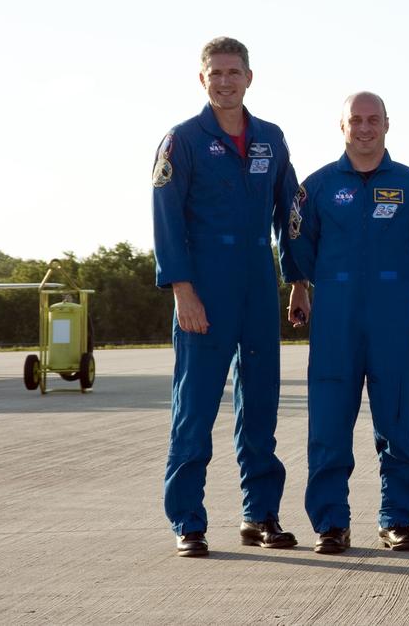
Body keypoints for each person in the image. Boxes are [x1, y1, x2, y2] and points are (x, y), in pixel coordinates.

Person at [152, 36, 307, 557]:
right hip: (204, 284)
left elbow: (291, 213)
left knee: (261, 404)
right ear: (202, 79)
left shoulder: (271, 138)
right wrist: (182, 290)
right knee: (194, 408)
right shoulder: (183, 140)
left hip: (257, 282)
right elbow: (167, 218)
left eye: (233, 72)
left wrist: (298, 280)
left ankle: (259, 514)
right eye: (215, 73)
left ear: (249, 77)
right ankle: (188, 521)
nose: (224, 81)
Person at [289, 92, 409, 555]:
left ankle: (396, 519)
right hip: (334, 320)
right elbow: (299, 246)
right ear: (341, 127)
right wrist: (317, 287)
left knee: (397, 421)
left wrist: (396, 287)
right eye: (355, 120)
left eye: (372, 119)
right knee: (329, 426)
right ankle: (331, 523)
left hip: (392, 318)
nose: (364, 128)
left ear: (386, 124)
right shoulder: (315, 188)